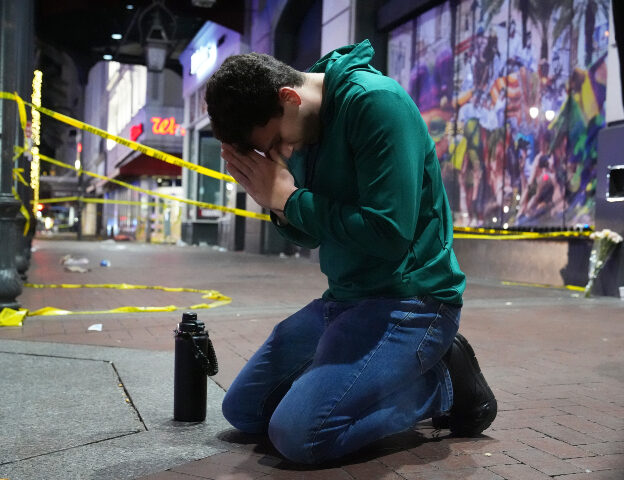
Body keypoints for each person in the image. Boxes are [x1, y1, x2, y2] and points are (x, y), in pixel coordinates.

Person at [205, 39, 496, 465]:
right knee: (244, 411)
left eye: (275, 141)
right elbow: (308, 235)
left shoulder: (376, 104)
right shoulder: (301, 120)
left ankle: (442, 382)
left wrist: (290, 199)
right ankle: (356, 378)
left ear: (288, 97)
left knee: (299, 437)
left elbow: (388, 232)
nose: (279, 153)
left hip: (411, 302)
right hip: (344, 302)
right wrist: (276, 201)